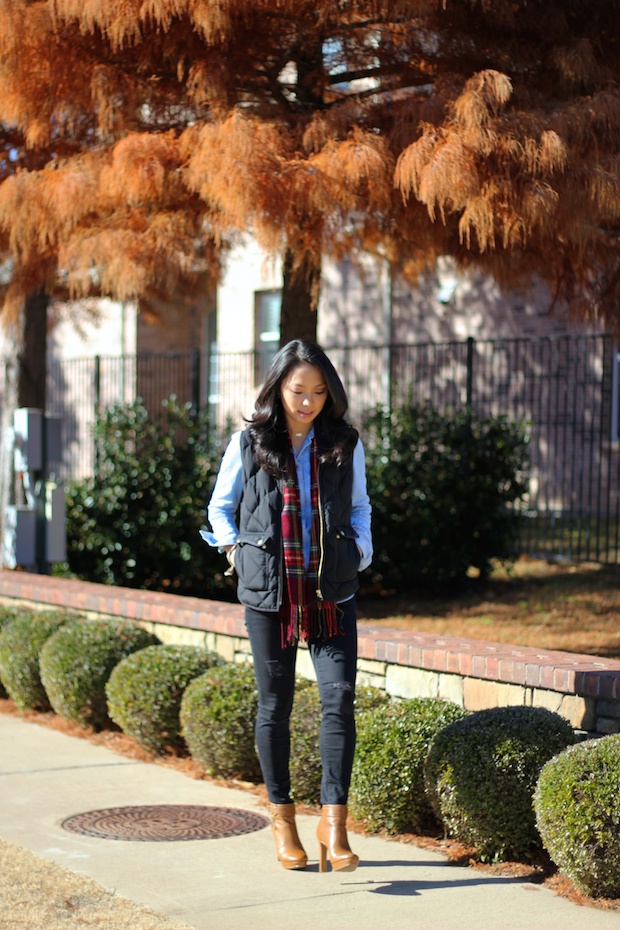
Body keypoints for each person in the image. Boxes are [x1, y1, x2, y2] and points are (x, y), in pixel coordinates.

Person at [201, 339, 372, 873]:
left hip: (331, 593)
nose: (309, 402)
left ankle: (334, 825)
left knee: (338, 700)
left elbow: (360, 505)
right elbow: (220, 508)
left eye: (320, 392)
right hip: (270, 594)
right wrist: (236, 552)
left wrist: (359, 553)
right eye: (299, 391)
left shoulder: (344, 442)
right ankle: (284, 824)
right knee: (274, 706)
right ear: (278, 387)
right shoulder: (249, 442)